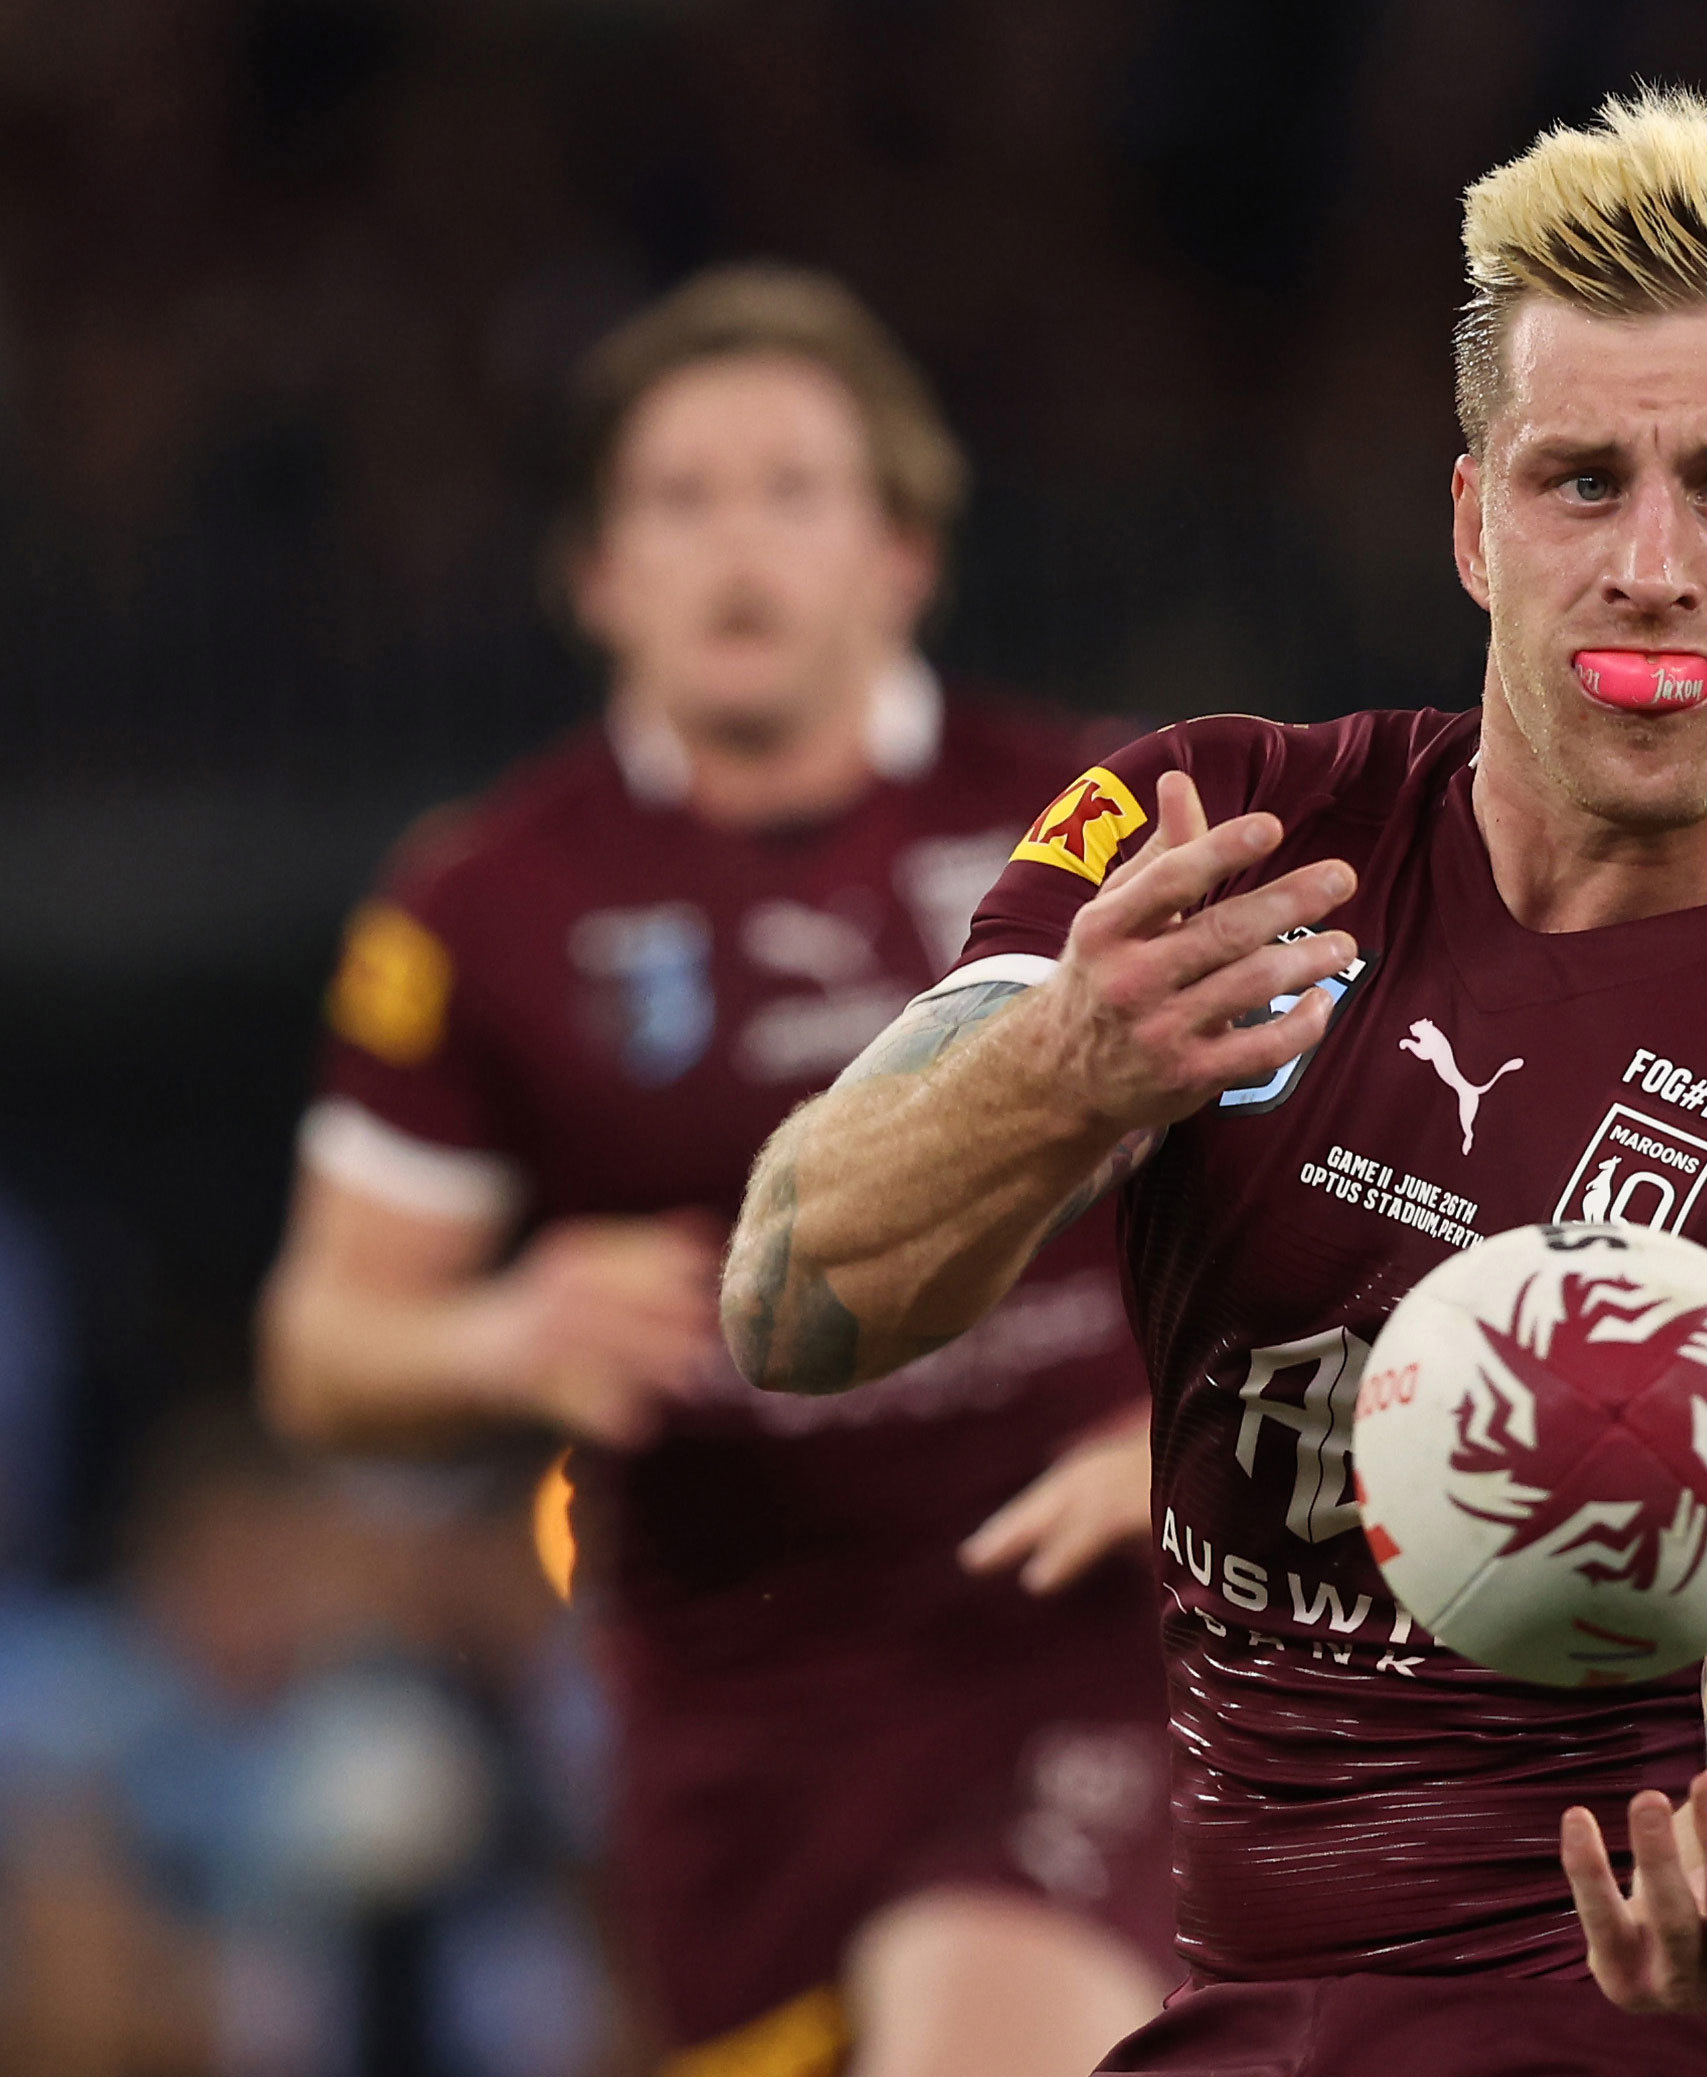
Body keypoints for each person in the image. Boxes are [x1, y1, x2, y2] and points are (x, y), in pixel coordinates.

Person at [719, 92, 1707, 2077]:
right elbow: (790, 1297)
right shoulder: (1222, 838)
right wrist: (1069, 1070)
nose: (1651, 562)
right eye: (1581, 477)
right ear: (1468, 519)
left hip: (1649, 2036)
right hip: (1262, 2010)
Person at [255, 265, 1176, 2077]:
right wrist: (493, 1336)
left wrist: (1220, 1416)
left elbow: (1362, 1176)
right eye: (676, 501)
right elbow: (323, 1352)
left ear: (902, 552)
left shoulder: (1103, 811)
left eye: (790, 491)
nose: (732, 545)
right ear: (596, 572)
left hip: (1097, 1631)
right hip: (738, 1710)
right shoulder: (483, 905)